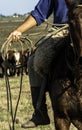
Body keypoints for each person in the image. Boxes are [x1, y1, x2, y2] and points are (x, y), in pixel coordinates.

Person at [8, 0, 69, 128]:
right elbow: (40, 13)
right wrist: (18, 30)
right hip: (61, 30)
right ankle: (40, 112)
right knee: (33, 62)